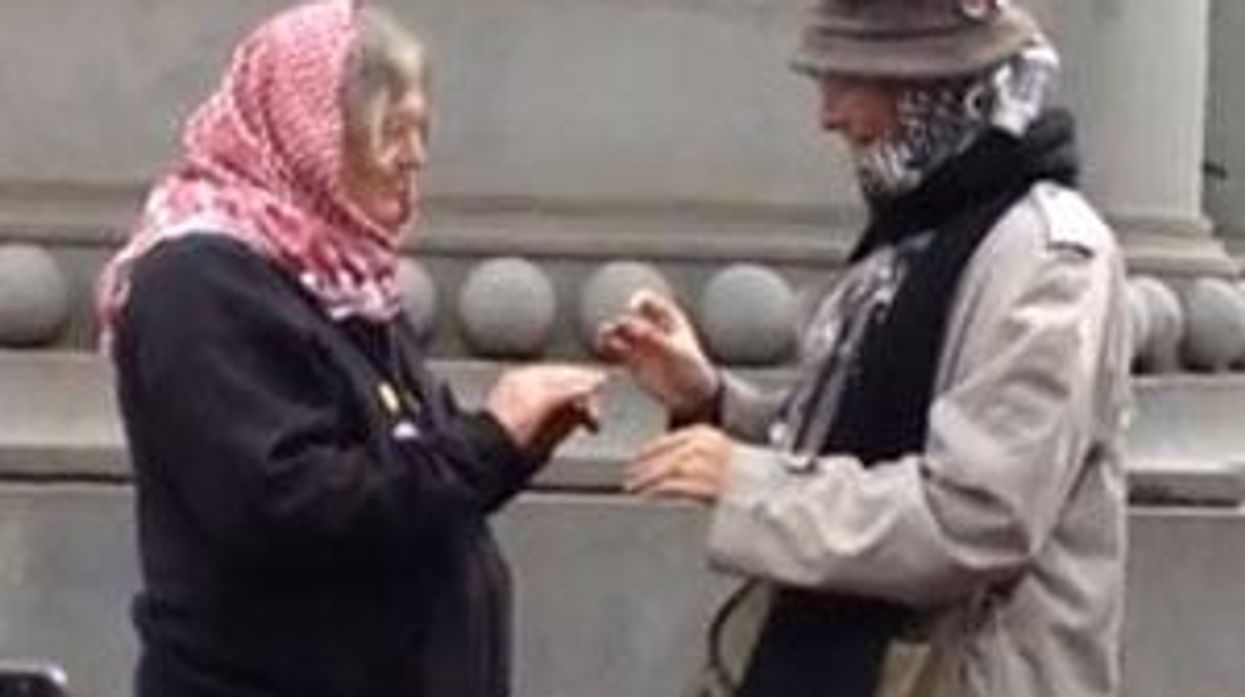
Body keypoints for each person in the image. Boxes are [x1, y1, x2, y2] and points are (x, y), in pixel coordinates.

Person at [599, 1, 1132, 696]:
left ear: (933, 91)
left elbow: (976, 516)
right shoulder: (916, 236)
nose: (828, 115)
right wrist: (712, 400)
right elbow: (850, 447)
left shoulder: (1048, 260)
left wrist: (749, 482)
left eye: (853, 80)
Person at [96, 3, 603, 697]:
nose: (414, 158)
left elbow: (404, 479)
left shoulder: (337, 282)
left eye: (422, 131)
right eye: (391, 131)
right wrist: (488, 441)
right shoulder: (200, 281)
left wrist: (514, 444)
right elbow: (288, 505)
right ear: (314, 134)